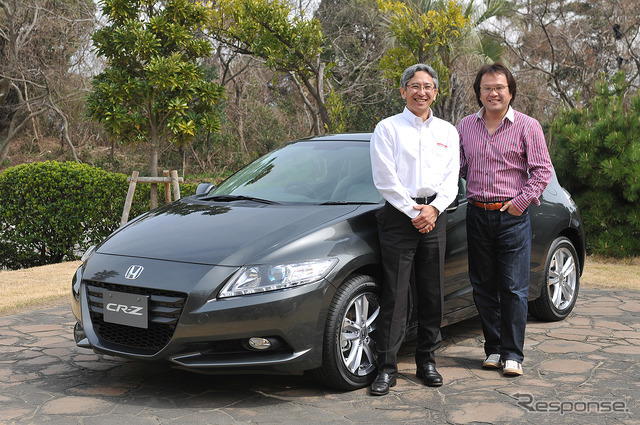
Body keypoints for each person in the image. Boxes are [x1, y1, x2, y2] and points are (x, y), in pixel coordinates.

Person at [457, 63, 553, 376]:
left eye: (499, 87)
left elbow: (542, 171)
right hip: (477, 214)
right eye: (487, 88)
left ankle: (513, 354)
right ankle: (493, 349)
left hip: (512, 217)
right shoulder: (465, 127)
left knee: (513, 288)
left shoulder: (528, 126)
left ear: (510, 91)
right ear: (479, 93)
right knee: (483, 287)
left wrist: (520, 203)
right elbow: (456, 169)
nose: (494, 93)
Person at [369, 63, 460, 395]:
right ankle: (386, 367)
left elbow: (451, 180)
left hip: (435, 216)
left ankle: (427, 361)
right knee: (396, 293)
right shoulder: (388, 129)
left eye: (428, 86)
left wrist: (434, 209)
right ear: (403, 90)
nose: (421, 92)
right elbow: (385, 180)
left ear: (436, 92)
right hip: (398, 217)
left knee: (432, 292)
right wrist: (414, 212)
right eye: (415, 86)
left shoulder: (448, 132)